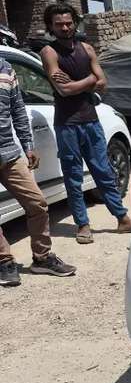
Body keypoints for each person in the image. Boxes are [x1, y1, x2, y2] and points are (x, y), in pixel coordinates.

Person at [39, 3, 131, 245]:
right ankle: (82, 224)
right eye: (59, 24)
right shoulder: (49, 52)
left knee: (104, 171)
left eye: (68, 23)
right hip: (67, 124)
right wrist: (90, 79)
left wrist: (81, 81)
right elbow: (64, 89)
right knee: (73, 177)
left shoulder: (87, 48)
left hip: (91, 120)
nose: (65, 27)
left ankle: (122, 218)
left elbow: (103, 82)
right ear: (50, 26)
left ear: (75, 22)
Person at [0, 55, 75, 285]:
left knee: (37, 204)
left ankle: (42, 258)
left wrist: (28, 145)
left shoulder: (5, 68)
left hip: (8, 154)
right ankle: (4, 262)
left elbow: (18, 110)